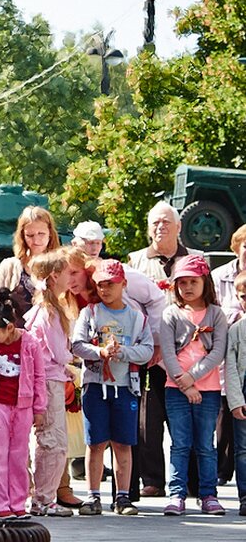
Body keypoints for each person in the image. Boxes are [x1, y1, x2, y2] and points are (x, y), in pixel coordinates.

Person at [127, 200, 202, 499]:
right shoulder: (135, 260)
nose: (160, 227)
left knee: (189, 416)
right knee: (149, 420)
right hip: (149, 353)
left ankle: (195, 481)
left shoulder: (198, 257)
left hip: (187, 352)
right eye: (155, 222)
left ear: (179, 226)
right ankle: (154, 479)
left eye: (166, 222)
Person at [72, 259, 154, 516]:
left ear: (124, 284)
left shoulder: (137, 318)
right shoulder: (90, 313)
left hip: (125, 387)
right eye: (101, 285)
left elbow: (147, 350)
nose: (106, 289)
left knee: (122, 443)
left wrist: (124, 352)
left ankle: (122, 497)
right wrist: (100, 351)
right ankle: (92, 496)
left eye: (111, 284)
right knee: (95, 442)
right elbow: (77, 345)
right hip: (96, 386)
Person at [159, 255, 227, 516]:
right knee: (180, 443)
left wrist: (193, 378)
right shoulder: (170, 314)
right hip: (176, 389)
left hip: (208, 390)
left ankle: (208, 494)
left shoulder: (216, 314)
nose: (187, 287)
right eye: (182, 282)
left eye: (193, 281)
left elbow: (217, 352)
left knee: (205, 444)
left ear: (205, 282)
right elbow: (167, 351)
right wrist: (184, 383)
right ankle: (177, 493)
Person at [0, 300, 47, 518]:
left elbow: (39, 378)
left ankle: (17, 503)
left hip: (22, 408)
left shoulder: (31, 344)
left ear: (10, 328)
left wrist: (39, 408)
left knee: (19, 456)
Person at [25, 249, 75, 517]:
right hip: (49, 382)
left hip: (47, 379)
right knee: (53, 442)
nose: (71, 278)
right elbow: (58, 352)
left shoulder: (42, 310)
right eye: (68, 272)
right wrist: (75, 358)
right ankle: (44, 498)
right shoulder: (50, 313)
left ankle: (43, 496)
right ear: (55, 276)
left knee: (49, 440)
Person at [210, 223, 246, 486]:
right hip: (226, 353)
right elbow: (213, 310)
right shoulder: (219, 275)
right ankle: (223, 471)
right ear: (236, 248)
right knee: (226, 414)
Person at [0, 206, 60, 327]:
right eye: (30, 235)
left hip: (49, 336)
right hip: (15, 336)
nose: (36, 240)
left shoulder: (60, 266)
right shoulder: (9, 266)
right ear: (22, 236)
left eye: (41, 234)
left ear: (50, 234)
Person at [224, 270, 246, 516]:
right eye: (244, 297)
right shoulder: (236, 330)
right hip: (243, 389)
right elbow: (229, 366)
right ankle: (245, 496)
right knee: (242, 448)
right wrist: (235, 401)